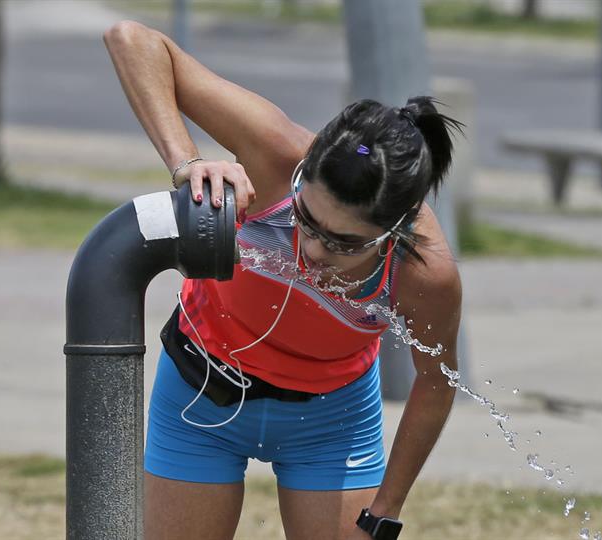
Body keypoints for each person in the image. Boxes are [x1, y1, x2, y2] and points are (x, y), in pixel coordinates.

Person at [104, 20, 463, 540]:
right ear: (300, 174)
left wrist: (385, 508)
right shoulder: (273, 149)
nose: (314, 250)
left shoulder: (426, 274)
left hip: (330, 422)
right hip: (200, 389)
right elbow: (130, 39)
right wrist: (188, 163)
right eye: (306, 219)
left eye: (343, 243)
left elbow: (436, 383)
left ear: (396, 229)